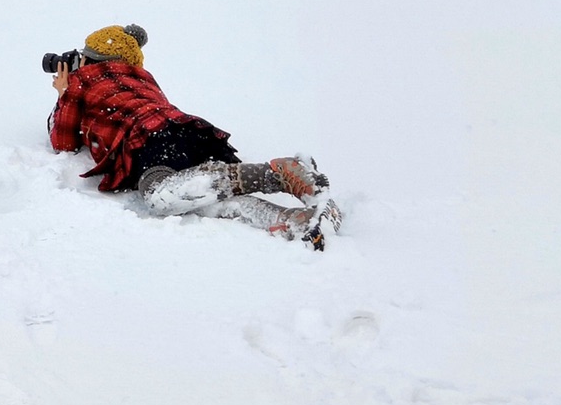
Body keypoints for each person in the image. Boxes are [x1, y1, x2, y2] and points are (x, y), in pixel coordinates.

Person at [47, 24, 341, 249]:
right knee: (199, 195)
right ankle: (289, 220)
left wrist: (65, 92)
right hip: (191, 132)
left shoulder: (84, 80)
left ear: (94, 60)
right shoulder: (142, 77)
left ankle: (275, 174)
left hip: (150, 141)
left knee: (161, 195)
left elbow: (63, 142)